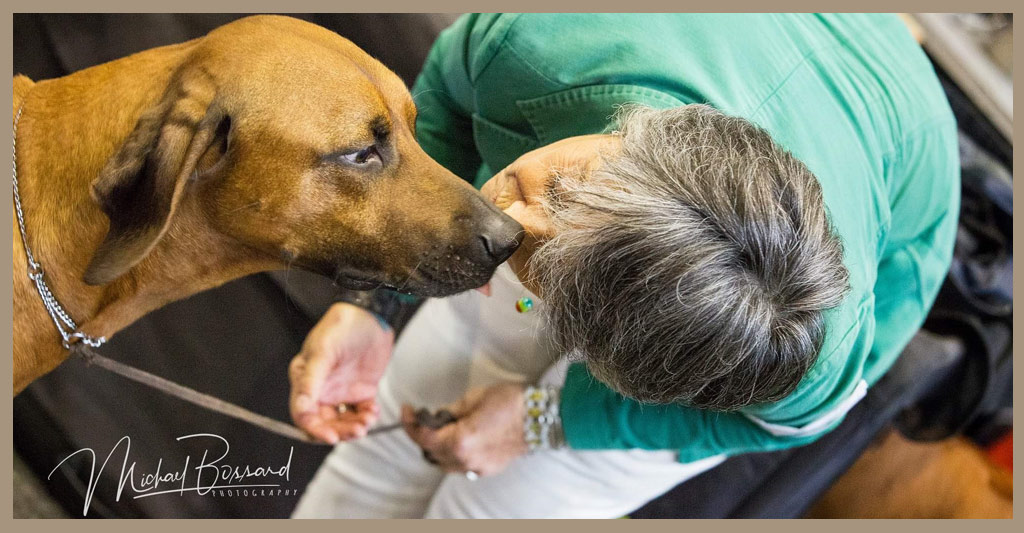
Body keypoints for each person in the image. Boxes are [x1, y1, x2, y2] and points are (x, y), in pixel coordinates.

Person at [288, 13, 959, 518]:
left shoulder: (809, 356)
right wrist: (375, 303)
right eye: (566, 192)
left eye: (547, 267)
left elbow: (758, 419)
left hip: (898, 176)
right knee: (391, 441)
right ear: (636, 136)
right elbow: (444, 111)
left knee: (497, 508)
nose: (508, 220)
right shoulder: (533, 42)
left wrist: (542, 420)